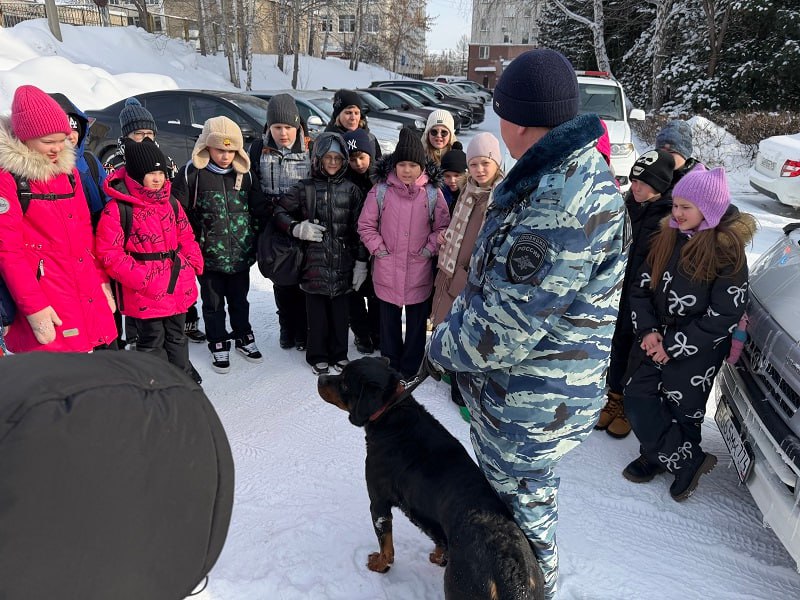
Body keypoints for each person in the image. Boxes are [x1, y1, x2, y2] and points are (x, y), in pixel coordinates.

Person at [426, 49, 627, 600]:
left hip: (533, 403)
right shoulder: (557, 175)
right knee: (517, 505)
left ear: (516, 122)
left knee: (521, 519)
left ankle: (530, 591)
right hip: (528, 396)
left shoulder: (559, 202)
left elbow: (502, 330)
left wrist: (441, 347)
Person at [622, 165, 755, 501]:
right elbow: (640, 288)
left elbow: (725, 313)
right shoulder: (666, 235)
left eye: (685, 207)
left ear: (707, 210)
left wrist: (675, 346)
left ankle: (663, 456)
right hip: (659, 338)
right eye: (675, 205)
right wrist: (649, 331)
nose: (677, 213)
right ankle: (683, 458)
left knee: (684, 407)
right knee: (638, 396)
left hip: (698, 348)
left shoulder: (727, 251)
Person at [0, 85, 118, 354]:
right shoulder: (8, 180)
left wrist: (100, 280)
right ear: (25, 137)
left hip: (82, 287)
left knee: (90, 369)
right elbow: (8, 252)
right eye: (48, 142)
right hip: (44, 294)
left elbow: (85, 234)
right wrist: (35, 309)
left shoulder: (69, 173)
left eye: (62, 140)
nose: (57, 148)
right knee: (54, 379)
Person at [102, 97, 205, 347]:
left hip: (168, 248)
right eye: (139, 133)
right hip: (136, 249)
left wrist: (189, 261)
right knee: (148, 329)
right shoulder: (116, 162)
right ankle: (140, 346)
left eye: (149, 132)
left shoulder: (162, 159)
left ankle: (180, 347)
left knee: (174, 322)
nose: (145, 137)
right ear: (127, 135)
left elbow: (174, 199)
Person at [172, 116, 268, 374]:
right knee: (213, 303)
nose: (225, 156)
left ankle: (243, 335)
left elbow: (257, 210)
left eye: (230, 150)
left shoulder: (245, 175)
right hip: (208, 257)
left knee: (240, 300)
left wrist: (253, 238)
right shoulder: (192, 175)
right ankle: (217, 340)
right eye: (219, 150)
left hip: (239, 254)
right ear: (206, 146)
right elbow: (178, 214)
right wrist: (192, 245)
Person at [358, 127, 450, 379]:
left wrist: (429, 248)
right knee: (388, 322)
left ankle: (410, 366)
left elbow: (442, 227)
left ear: (421, 166)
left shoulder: (432, 194)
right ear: (394, 166)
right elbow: (366, 224)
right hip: (387, 267)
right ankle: (390, 362)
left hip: (418, 268)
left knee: (416, 323)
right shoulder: (381, 191)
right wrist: (379, 248)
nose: (407, 170)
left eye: (412, 165)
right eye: (402, 164)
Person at [597, 149, 675, 439]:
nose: (635, 187)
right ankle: (614, 397)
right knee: (617, 348)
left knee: (636, 355)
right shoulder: (629, 205)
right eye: (633, 180)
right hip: (619, 293)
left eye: (642, 182)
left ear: (659, 185)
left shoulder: (667, 218)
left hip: (646, 302)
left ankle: (629, 407)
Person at [274, 132, 366, 375]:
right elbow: (280, 213)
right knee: (317, 317)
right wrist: (297, 228)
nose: (333, 162)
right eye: (328, 157)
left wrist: (361, 262)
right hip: (313, 265)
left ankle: (339, 353)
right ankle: (317, 354)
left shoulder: (352, 190)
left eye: (338, 158)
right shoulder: (305, 188)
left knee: (340, 315)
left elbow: (360, 229)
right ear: (318, 159)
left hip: (343, 264)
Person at [430, 132, 503, 421]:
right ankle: (450, 369)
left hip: (475, 275)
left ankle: (464, 391)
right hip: (452, 268)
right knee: (448, 322)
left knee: (468, 332)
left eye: (485, 163)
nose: (480, 170)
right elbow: (459, 228)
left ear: (496, 163)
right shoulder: (468, 191)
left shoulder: (499, 198)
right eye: (474, 164)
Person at [249, 93, 311, 351]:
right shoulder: (257, 149)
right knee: (282, 281)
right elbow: (251, 186)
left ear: (297, 125)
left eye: (288, 127)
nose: (283, 133)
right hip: (273, 225)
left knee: (304, 280)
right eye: (277, 127)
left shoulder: (312, 148)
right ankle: (287, 326)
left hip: (304, 224)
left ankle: (303, 330)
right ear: (269, 127)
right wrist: (266, 214)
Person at [343, 128, 380, 355]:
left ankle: (377, 331)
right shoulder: (345, 182)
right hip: (351, 245)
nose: (358, 163)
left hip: (376, 247)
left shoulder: (381, 179)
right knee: (353, 293)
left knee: (377, 293)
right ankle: (361, 333)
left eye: (362, 157)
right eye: (352, 158)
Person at [49, 93, 109, 229]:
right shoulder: (45, 166)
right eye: (65, 130)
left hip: (97, 230)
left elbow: (108, 195)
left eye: (75, 130)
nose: (71, 136)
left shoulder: (89, 161)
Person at [325, 89, 382, 158]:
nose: (353, 118)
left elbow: (379, 165)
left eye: (356, 113)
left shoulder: (370, 139)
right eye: (348, 113)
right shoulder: (327, 141)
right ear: (338, 115)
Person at [656, 119, 702, 187]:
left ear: (685, 154)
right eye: (660, 152)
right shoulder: (651, 173)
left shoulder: (700, 183)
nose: (663, 156)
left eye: (671, 151)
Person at [438, 140, 467, 213]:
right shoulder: (439, 194)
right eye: (447, 176)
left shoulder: (469, 194)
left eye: (457, 175)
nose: (452, 180)